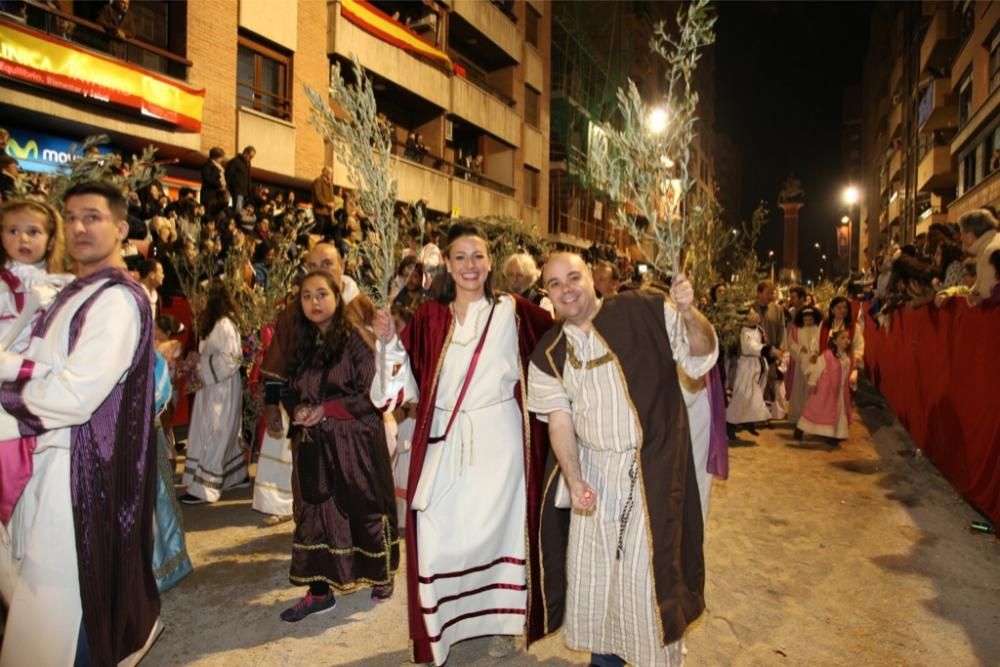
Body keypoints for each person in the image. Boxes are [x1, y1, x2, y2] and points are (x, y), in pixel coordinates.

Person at [370, 222, 554, 666]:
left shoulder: (517, 312)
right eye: (460, 257)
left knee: (497, 534)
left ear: (490, 262)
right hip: (445, 440)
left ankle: (499, 616)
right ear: (448, 266)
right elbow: (403, 386)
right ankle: (440, 629)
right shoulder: (431, 318)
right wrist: (387, 342)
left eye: (478, 256)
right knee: (437, 534)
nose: (470, 265)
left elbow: (563, 349)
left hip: (501, 444)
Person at [526, 253, 717, 667]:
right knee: (600, 585)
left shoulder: (645, 308)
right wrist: (575, 481)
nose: (566, 289)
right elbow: (559, 422)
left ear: (592, 278)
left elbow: (699, 357)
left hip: (652, 469)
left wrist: (688, 313)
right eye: (555, 284)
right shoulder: (549, 351)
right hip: (594, 473)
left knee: (648, 584)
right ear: (548, 294)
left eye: (573, 277)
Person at [0, 180, 160, 665]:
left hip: (80, 479)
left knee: (64, 619)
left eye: (92, 217)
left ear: (121, 228)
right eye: (70, 218)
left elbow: (74, 395)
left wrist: (7, 405)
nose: (78, 227)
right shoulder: (69, 293)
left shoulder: (116, 300)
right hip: (45, 466)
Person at [279, 271, 399, 622]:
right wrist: (296, 408)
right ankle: (319, 592)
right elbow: (288, 387)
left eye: (321, 294)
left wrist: (326, 410)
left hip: (355, 443)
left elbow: (373, 396)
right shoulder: (301, 344)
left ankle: (380, 573)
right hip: (314, 447)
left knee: (362, 508)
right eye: (306, 296)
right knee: (313, 514)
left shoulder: (356, 342)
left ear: (337, 297)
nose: (314, 302)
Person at [257, 243, 360, 525]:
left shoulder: (361, 308)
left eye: (326, 264)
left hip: (351, 421)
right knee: (308, 484)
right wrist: (271, 404)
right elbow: (279, 359)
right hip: (306, 418)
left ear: (343, 265)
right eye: (312, 266)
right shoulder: (293, 313)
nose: (318, 271)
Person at [180, 282, 248, 504]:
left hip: (220, 387)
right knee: (222, 430)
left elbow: (231, 360)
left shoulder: (224, 325)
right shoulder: (218, 323)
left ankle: (204, 488)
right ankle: (235, 475)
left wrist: (201, 363)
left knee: (214, 430)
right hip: (215, 385)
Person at [0, 199, 71, 355]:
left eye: (33, 232)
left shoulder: (59, 284)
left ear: (51, 241)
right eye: (13, 231)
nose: (23, 239)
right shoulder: (4, 283)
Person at [795, 329, 857, 445]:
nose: (846, 341)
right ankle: (800, 428)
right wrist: (813, 382)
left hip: (840, 391)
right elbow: (818, 368)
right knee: (817, 409)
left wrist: (852, 379)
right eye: (842, 338)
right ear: (834, 341)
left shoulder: (847, 357)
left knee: (839, 412)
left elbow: (851, 370)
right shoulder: (828, 355)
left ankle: (836, 434)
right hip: (826, 390)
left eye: (847, 338)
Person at [726, 307, 774, 435]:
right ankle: (730, 424)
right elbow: (751, 347)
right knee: (742, 395)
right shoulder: (744, 332)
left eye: (755, 312)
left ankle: (749, 421)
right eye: (752, 313)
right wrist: (767, 350)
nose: (756, 315)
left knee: (754, 396)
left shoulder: (759, 329)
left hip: (757, 365)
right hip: (747, 366)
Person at [785, 305, 821, 425]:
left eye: (811, 319)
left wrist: (816, 353)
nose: (808, 322)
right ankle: (799, 415)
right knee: (800, 389)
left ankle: (813, 416)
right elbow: (791, 344)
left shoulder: (818, 328)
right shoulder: (797, 330)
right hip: (801, 364)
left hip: (816, 362)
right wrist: (800, 349)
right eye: (806, 320)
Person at [958, 209, 1000, 306]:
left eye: (961, 233)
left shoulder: (989, 251)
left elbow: (986, 292)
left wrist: (974, 298)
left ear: (970, 235)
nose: (960, 238)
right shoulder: (989, 245)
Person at [818, 296, 864, 370]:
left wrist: (853, 359)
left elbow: (859, 345)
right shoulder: (824, 325)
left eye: (845, 307)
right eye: (839, 308)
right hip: (825, 365)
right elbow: (816, 342)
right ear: (832, 310)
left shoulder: (854, 327)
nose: (843, 310)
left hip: (845, 366)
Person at [225, 145, 255, 212]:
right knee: (237, 209)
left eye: (252, 158)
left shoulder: (247, 164)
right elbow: (228, 174)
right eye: (250, 156)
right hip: (237, 190)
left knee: (240, 209)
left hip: (244, 192)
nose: (250, 159)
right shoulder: (236, 161)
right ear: (245, 153)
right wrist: (228, 187)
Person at [311, 166, 338, 241]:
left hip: (328, 213)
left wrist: (333, 206)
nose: (330, 175)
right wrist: (327, 204)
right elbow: (318, 196)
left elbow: (332, 198)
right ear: (324, 172)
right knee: (318, 230)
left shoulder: (330, 184)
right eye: (329, 172)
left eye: (331, 173)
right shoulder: (318, 181)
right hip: (320, 212)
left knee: (326, 233)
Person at [200, 147, 227, 212]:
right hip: (210, 194)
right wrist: (219, 183)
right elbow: (207, 179)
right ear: (216, 157)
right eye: (221, 157)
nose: (222, 160)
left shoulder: (220, 167)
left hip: (219, 195)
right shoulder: (208, 165)